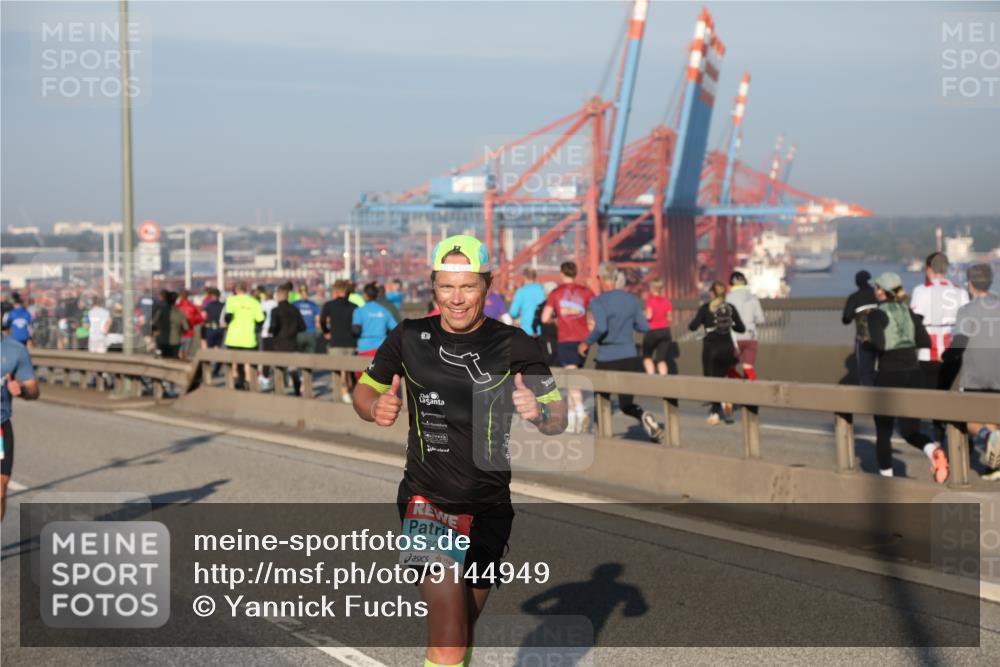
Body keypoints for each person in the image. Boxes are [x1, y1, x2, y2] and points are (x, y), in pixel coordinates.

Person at [352, 235, 566, 667]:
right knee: (448, 635)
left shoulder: (515, 343)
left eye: (468, 286)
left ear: (487, 286)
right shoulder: (409, 336)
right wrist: (374, 406)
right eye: (447, 287)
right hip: (426, 499)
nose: (457, 298)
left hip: (490, 505)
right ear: (433, 287)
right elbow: (364, 389)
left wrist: (539, 413)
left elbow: (556, 413)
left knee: (462, 629)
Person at [867, 272, 948, 482]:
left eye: (876, 287)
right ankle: (932, 451)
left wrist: (867, 342)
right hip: (913, 375)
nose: (875, 291)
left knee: (884, 431)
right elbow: (924, 341)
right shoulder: (909, 312)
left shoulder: (876, 314)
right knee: (910, 429)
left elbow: (879, 345)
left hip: (888, 375)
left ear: (881, 291)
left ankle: (887, 479)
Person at [579, 263, 663, 442]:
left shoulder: (597, 301)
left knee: (601, 399)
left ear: (601, 279)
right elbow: (643, 326)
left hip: (607, 357)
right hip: (629, 356)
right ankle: (643, 415)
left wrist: (586, 343)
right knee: (626, 404)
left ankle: (603, 439)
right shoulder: (631, 299)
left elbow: (600, 327)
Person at [942, 264, 1000, 480]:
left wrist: (948, 357)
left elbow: (959, 342)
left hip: (975, 376)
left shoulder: (967, 310)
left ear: (969, 284)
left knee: (967, 419)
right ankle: (995, 467)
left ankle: (986, 437)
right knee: (994, 418)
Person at [911, 252, 968, 442]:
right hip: (953, 351)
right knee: (946, 391)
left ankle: (937, 434)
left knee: (932, 395)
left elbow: (915, 321)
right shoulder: (960, 292)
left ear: (928, 269)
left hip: (928, 351)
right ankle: (949, 430)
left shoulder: (921, 290)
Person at [542, 261, 594, 432]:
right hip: (584, 340)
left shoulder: (556, 293)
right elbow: (595, 313)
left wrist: (556, 320)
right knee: (574, 377)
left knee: (572, 379)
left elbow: (544, 318)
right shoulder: (586, 292)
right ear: (576, 273)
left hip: (565, 339)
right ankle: (572, 421)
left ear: (561, 273)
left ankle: (581, 412)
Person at [688, 280, 746, 425]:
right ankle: (726, 409)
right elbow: (741, 328)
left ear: (712, 293)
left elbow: (693, 327)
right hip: (727, 350)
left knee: (711, 382)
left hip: (711, 351)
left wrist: (700, 321)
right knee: (723, 380)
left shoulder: (705, 308)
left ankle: (715, 413)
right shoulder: (730, 308)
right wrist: (730, 324)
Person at [1, 327, 40, 520]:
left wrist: (22, 389)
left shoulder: (15, 350)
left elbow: (34, 390)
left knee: (0, 491)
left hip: (0, 427)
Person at [321, 280, 359, 404]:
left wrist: (326, 331)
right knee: (347, 370)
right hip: (351, 341)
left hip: (335, 342)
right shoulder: (354, 306)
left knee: (339, 370)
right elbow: (357, 325)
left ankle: (343, 393)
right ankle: (348, 392)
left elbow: (322, 320)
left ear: (336, 291)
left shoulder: (329, 305)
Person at [224, 283, 265, 390]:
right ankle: (248, 383)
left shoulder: (231, 300)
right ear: (246, 290)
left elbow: (228, 317)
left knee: (234, 363)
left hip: (233, 338)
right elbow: (260, 320)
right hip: (249, 339)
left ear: (236, 290)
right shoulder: (254, 302)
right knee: (248, 363)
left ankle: (236, 384)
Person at [842, 270, 879, 386]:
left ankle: (867, 395)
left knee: (865, 371)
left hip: (863, 338)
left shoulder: (854, 297)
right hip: (881, 337)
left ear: (857, 282)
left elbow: (846, 318)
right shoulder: (878, 295)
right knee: (882, 369)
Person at [726, 271, 765, 381]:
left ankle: (736, 391)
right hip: (751, 337)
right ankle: (753, 394)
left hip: (734, 338)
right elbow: (761, 319)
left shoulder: (728, 299)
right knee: (748, 369)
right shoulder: (753, 298)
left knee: (729, 368)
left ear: (731, 284)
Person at [270, 286, 306, 396]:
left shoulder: (275, 311)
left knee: (279, 369)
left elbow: (274, 326)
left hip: (279, 344)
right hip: (292, 344)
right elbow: (302, 327)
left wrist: (271, 331)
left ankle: (277, 391)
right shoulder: (295, 310)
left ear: (278, 296)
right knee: (293, 369)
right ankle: (297, 389)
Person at [352, 282, 397, 359]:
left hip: (364, 348)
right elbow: (396, 328)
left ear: (365, 295)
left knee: (363, 371)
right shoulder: (384, 311)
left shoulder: (359, 311)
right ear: (376, 295)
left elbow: (356, 330)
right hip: (381, 349)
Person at [641, 278, 673, 376]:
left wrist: (643, 314)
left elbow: (649, 316)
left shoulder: (650, 301)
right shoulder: (667, 302)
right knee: (661, 359)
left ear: (652, 288)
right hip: (665, 331)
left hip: (653, 331)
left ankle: (652, 380)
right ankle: (664, 381)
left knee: (647, 356)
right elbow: (669, 318)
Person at [509, 268, 546, 337]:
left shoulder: (521, 291)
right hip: (542, 330)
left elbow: (513, 312)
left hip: (527, 330)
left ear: (524, 277)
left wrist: (515, 319)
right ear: (535, 277)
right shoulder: (543, 289)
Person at [152, 292, 190, 359]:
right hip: (175, 342)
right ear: (175, 300)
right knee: (174, 360)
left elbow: (153, 323)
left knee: (164, 359)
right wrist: (180, 332)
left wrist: (157, 331)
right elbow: (186, 327)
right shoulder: (179, 312)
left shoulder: (161, 311)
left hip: (163, 341)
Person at [176, 289, 204, 360]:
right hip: (189, 332)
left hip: (178, 333)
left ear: (180, 296)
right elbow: (200, 318)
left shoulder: (176, 307)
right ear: (188, 296)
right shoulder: (192, 307)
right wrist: (192, 322)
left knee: (178, 351)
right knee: (186, 352)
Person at [293, 284, 320, 355]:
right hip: (309, 333)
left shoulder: (294, 305)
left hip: (300, 333)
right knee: (310, 356)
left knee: (299, 356)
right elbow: (318, 322)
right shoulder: (313, 305)